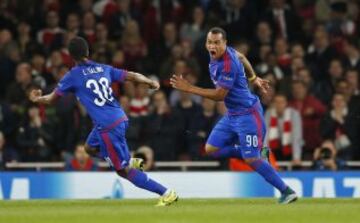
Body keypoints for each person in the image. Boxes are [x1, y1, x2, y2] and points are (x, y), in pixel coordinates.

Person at [29, 37, 177, 206]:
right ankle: (127, 159)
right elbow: (132, 76)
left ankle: (166, 193)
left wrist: (37, 99)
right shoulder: (103, 68)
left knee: (123, 172)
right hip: (119, 118)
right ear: (87, 52)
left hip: (107, 127)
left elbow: (50, 99)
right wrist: (150, 82)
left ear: (71, 56)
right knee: (89, 148)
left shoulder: (72, 76)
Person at [170, 27, 297, 204]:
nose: (212, 46)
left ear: (225, 44)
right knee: (211, 149)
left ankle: (287, 191)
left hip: (248, 115)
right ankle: (257, 152)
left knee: (251, 159)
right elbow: (243, 56)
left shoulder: (228, 64)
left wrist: (189, 88)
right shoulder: (219, 53)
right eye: (210, 42)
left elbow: (219, 96)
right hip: (232, 115)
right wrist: (253, 78)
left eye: (216, 43)